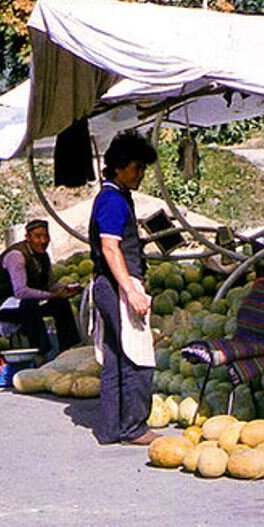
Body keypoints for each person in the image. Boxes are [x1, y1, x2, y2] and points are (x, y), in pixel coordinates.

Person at [89, 130, 160, 446]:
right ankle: (133, 427)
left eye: (143, 168)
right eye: (136, 168)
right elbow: (109, 248)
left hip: (111, 285)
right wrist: (131, 291)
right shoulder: (112, 200)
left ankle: (110, 429)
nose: (140, 174)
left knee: (116, 357)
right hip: (119, 286)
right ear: (118, 167)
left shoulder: (116, 196)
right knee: (136, 356)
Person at [0, 219, 82, 358]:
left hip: (21, 302)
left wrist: (65, 289)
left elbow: (49, 284)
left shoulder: (43, 256)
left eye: (46, 236)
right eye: (38, 236)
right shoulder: (16, 256)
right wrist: (52, 295)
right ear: (28, 238)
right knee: (29, 305)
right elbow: (21, 291)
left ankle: (68, 348)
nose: (43, 241)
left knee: (60, 304)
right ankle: (40, 352)